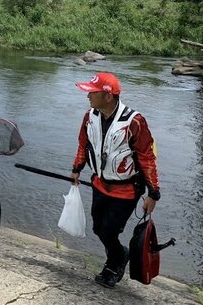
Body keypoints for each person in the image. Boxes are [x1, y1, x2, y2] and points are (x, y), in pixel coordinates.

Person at [70, 72, 161, 289]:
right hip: (99, 184)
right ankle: (120, 254)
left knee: (110, 230)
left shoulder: (134, 121)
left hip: (127, 190)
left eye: (93, 92)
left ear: (108, 96)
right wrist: (77, 168)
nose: (88, 96)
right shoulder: (89, 117)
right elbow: (84, 144)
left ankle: (114, 263)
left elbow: (147, 157)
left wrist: (153, 193)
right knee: (98, 228)